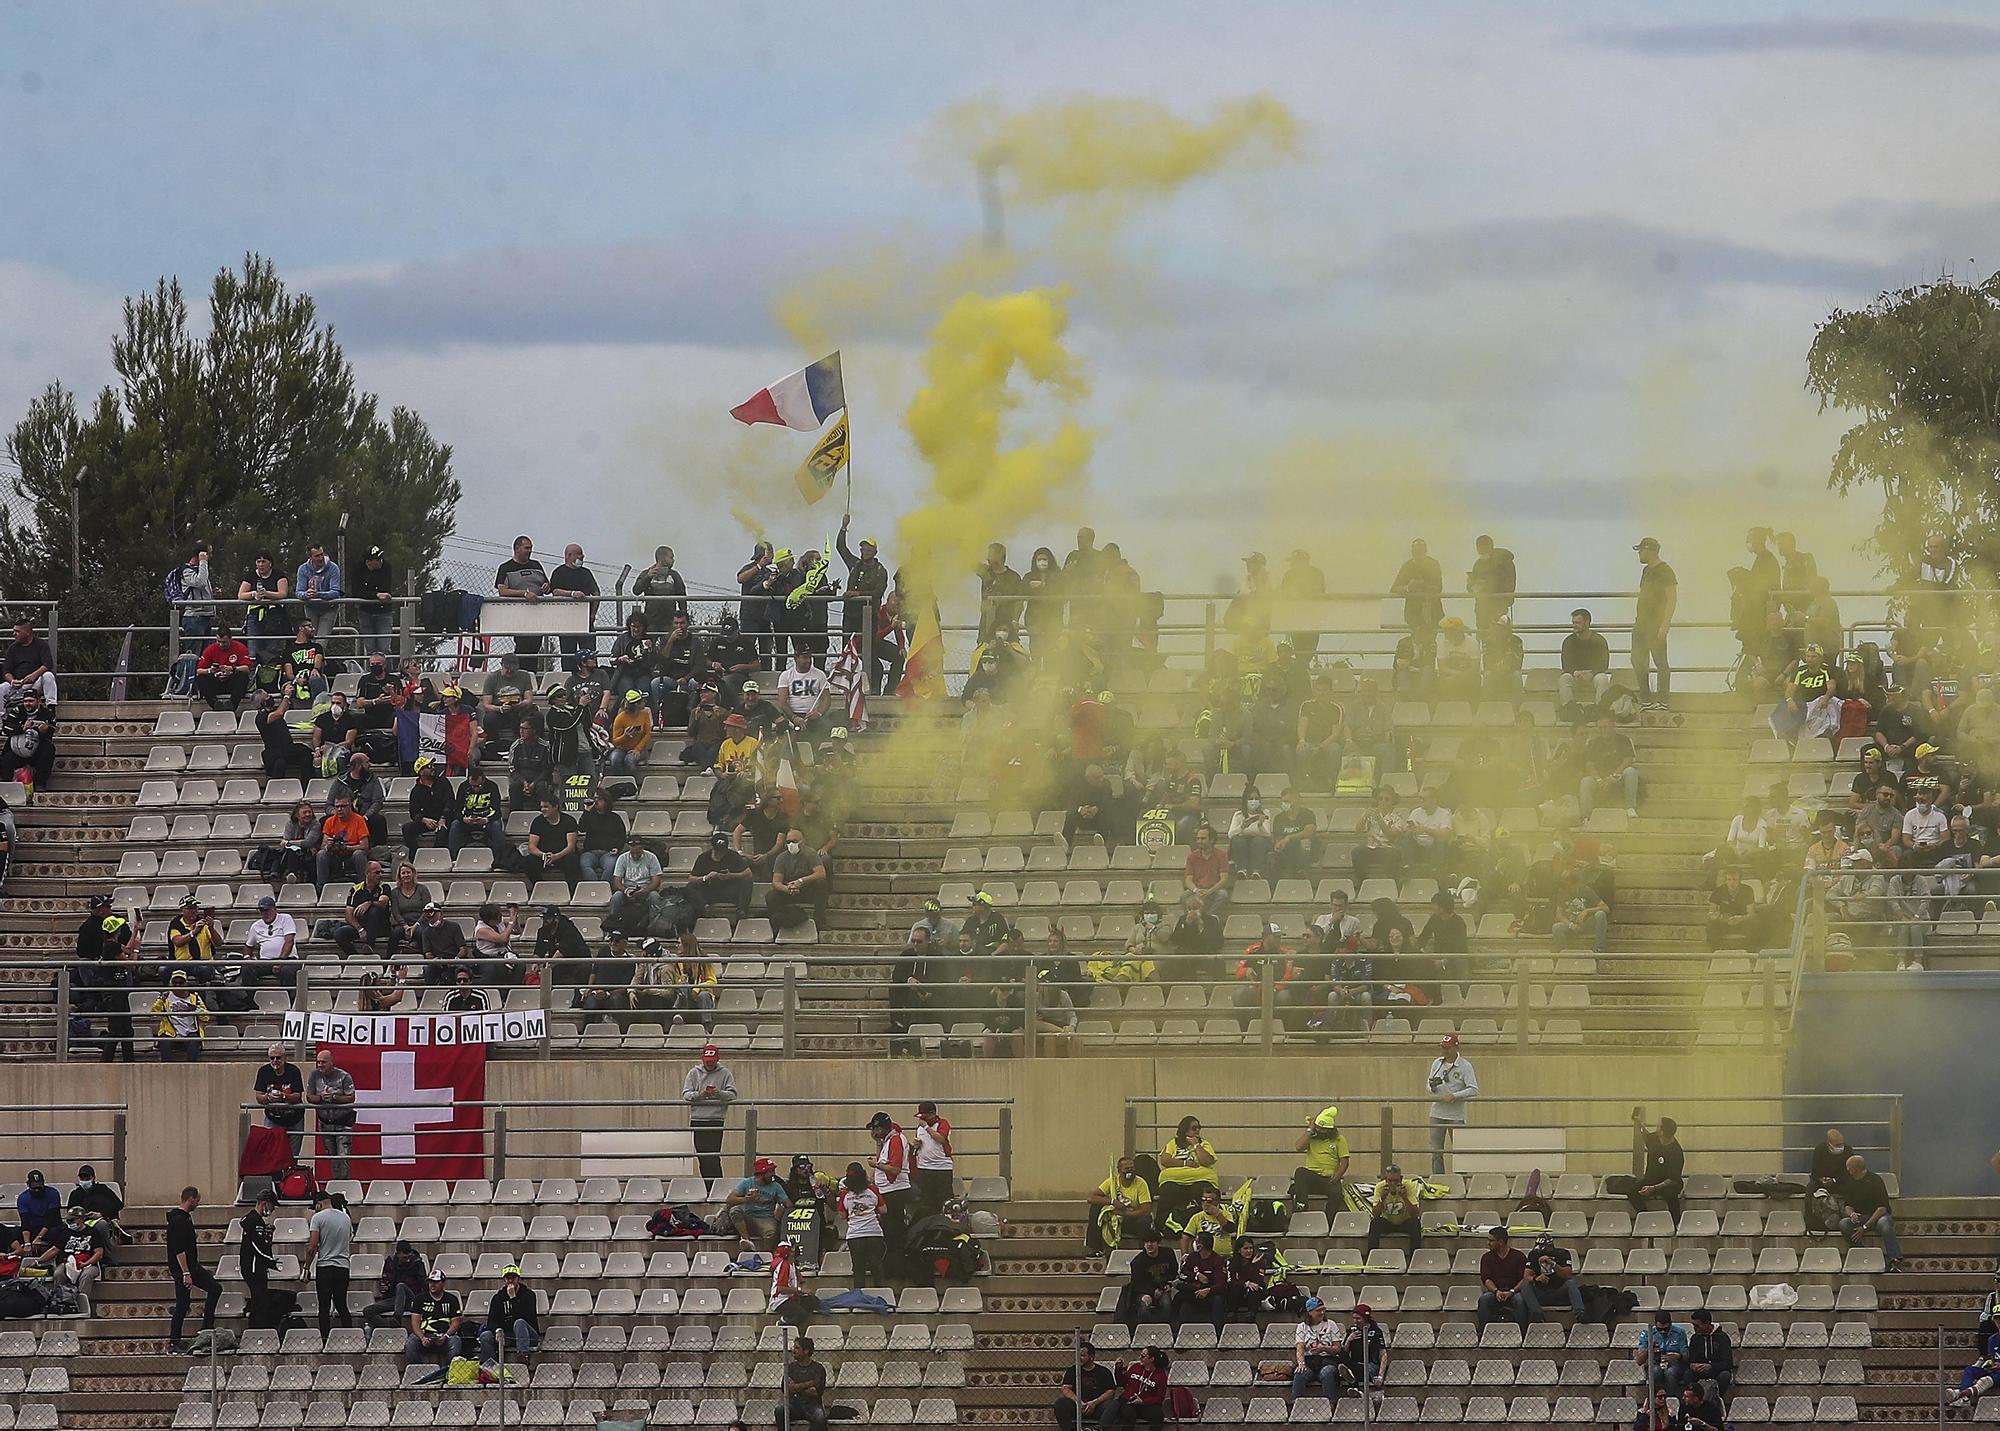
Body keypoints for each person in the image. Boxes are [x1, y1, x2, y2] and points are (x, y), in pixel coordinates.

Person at [166, 1186, 221, 1354]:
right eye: (197, 1200)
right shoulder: (179, 1221)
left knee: (215, 1288)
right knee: (182, 1304)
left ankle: (206, 1329)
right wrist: (186, 1273)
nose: (198, 1204)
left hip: (192, 1267)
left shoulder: (183, 1219)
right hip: (185, 1269)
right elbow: (179, 1249)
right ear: (191, 1199)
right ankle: (174, 1342)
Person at [1837, 1152, 1905, 1270]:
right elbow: (1848, 1205)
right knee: (1843, 1223)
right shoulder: (1850, 1183)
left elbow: (1882, 1208)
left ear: (1855, 1169)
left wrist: (1865, 1227)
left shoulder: (1875, 1180)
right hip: (1861, 1217)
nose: (1847, 1170)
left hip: (1877, 1216)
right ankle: (1862, 1253)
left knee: (1884, 1224)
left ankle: (1895, 1259)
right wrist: (1851, 1214)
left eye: (1849, 1168)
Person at [1632, 536, 1677, 708]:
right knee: (1637, 659)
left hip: (1655, 623)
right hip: (1641, 623)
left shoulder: (1665, 570)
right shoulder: (1646, 571)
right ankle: (1646, 699)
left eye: (1642, 550)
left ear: (1650, 550)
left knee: (1660, 662)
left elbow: (1672, 599)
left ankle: (1663, 700)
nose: (1640, 555)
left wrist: (1665, 624)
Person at [682, 1042, 736, 1183]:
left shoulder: (725, 1073)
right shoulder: (694, 1073)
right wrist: (700, 1095)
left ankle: (717, 1184)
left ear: (717, 1060)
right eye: (707, 1062)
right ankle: (708, 1185)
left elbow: (732, 1095)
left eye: (712, 1062)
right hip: (698, 1119)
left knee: (713, 1156)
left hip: (716, 1119)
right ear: (702, 1060)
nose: (709, 1065)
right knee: (702, 1156)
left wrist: (718, 1094)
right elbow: (686, 1095)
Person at [304, 1188, 354, 1338]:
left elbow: (312, 1247)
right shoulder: (346, 1218)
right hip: (343, 1267)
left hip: (325, 1267)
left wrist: (306, 1267)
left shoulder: (318, 1218)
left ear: (318, 1204)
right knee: (342, 1304)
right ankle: (349, 1336)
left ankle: (325, 1338)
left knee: (324, 1307)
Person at [1427, 1032, 1478, 1175]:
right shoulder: (1437, 1063)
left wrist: (1454, 1096)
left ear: (1456, 1048)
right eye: (1443, 1048)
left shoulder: (1465, 1066)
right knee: (1436, 1152)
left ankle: (1460, 1181)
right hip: (1437, 1113)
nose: (1444, 1051)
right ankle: (1438, 1181)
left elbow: (1473, 1090)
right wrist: (1432, 1087)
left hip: (1456, 1115)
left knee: (1459, 1152)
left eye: (1447, 1048)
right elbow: (1428, 1085)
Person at [1154, 1115, 1219, 1229]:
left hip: (1198, 1181)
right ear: (1185, 1130)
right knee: (1167, 1190)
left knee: (1202, 1191)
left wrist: (1196, 1145)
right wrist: (1185, 1164)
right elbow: (1165, 1160)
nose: (1198, 1131)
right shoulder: (1173, 1143)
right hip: (1174, 1181)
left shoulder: (1204, 1144)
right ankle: (1162, 1225)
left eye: (1199, 1128)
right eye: (1194, 1128)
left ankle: (1202, 1224)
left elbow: (1207, 1161)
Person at [305, 1048, 357, 1181]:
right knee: (332, 1158)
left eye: (323, 1062)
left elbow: (351, 1098)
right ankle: (336, 1185)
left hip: (343, 1123)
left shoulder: (344, 1076)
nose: (320, 1065)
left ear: (331, 1062)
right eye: (318, 1062)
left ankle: (344, 1186)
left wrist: (334, 1097)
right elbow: (309, 1097)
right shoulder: (314, 1076)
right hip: (325, 1123)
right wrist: (322, 1098)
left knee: (343, 1157)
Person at [1291, 1105, 1351, 1217]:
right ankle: (1301, 1204)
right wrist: (1310, 1130)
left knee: (1337, 1194)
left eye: (1323, 1129)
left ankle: (1329, 1220)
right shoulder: (1311, 1137)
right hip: (1313, 1176)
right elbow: (1298, 1147)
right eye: (1318, 1128)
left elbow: (1345, 1162)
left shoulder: (1339, 1139)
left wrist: (1337, 1176)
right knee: (1300, 1172)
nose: (1320, 1131)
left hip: (1329, 1179)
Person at [836, 1161, 889, 1286]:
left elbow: (842, 1215)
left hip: (855, 1235)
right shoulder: (872, 1190)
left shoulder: (845, 1194)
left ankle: (859, 1297)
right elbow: (884, 1210)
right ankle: (881, 1294)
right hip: (874, 1233)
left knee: (858, 1269)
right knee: (877, 1266)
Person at [1087, 1155, 1155, 1252]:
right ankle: (1095, 1249)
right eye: (1127, 1169)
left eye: (1132, 1168)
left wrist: (1124, 1213)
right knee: (1095, 1208)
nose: (1130, 1171)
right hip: (1115, 1221)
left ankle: (1143, 1251)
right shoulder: (1112, 1181)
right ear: (1119, 1171)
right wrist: (1113, 1202)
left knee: (1144, 1220)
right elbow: (1091, 1198)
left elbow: (1146, 1210)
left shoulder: (1141, 1183)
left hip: (1131, 1220)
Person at [1118, 1229, 1180, 1331]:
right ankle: (1142, 1332)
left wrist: (1169, 1284)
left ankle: (1164, 1331)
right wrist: (1150, 1292)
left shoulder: (1168, 1253)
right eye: (1146, 1242)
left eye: (1152, 1242)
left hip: (1162, 1288)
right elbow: (1136, 1283)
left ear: (1158, 1243)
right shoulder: (1138, 1261)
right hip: (1143, 1291)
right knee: (1145, 1304)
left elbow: (1173, 1272)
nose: (1149, 1245)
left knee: (1167, 1303)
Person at [1476, 1225, 1536, 1331]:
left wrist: (1512, 1291)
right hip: (1495, 1292)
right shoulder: (1486, 1258)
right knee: (1484, 1299)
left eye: (1491, 1240)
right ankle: (1483, 1332)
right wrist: (1496, 1291)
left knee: (1520, 1301)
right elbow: (1486, 1279)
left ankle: (1522, 1333)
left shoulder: (1518, 1256)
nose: (1488, 1243)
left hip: (1515, 1292)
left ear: (1501, 1242)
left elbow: (1524, 1279)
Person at [476, 1264, 540, 1363]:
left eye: (513, 1278)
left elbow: (527, 1317)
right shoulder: (498, 1298)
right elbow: (491, 1321)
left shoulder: (529, 1295)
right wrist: (498, 1330)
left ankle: (523, 1356)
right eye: (507, 1278)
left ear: (518, 1278)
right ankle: (491, 1366)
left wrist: (513, 1298)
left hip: (528, 1335)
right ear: (504, 1280)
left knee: (519, 1322)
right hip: (507, 1335)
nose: (510, 1281)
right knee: (485, 1336)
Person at [1629, 1115, 1686, 1223]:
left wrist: (1653, 1188)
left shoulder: (1676, 1152)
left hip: (1668, 1183)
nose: (1656, 1128)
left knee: (1670, 1194)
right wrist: (1639, 1123)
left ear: (1662, 1132)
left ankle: (1676, 1222)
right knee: (1631, 1191)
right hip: (1651, 1179)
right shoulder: (1655, 1139)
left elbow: (1672, 1179)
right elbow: (1645, 1135)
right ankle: (1646, 1217)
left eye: (1658, 1126)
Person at [361, 1239, 429, 1329]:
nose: (408, 1260)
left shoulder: (417, 1263)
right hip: (394, 1298)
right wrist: (384, 1288)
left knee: (401, 1286)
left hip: (411, 1298)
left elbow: (424, 1283)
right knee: (368, 1310)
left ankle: (397, 1317)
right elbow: (386, 1280)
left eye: (409, 1257)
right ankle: (389, 1326)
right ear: (398, 1254)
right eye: (404, 1257)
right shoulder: (390, 1263)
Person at [51, 1204, 110, 1306]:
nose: (70, 1223)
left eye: (72, 1220)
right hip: (68, 1262)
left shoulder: (93, 1232)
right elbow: (54, 1249)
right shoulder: (65, 1232)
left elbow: (99, 1253)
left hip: (89, 1263)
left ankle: (81, 1304)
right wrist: (37, 1262)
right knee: (58, 1273)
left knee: (86, 1275)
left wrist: (86, 1263)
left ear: (81, 1219)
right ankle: (62, 1300)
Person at [254, 1043, 306, 1157]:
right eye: (272, 1058)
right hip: (273, 1119)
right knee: (271, 1154)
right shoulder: (264, 1071)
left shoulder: (293, 1071)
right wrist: (268, 1097)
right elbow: (258, 1096)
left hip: (294, 1119)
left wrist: (283, 1096)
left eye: (278, 1057)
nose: (275, 1060)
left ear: (285, 1058)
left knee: (292, 1156)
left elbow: (298, 1096)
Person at [1055, 1339, 1119, 1431]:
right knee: (1061, 1403)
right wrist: (1078, 1402)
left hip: (1097, 1406)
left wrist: (1094, 1403)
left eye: (1082, 1355)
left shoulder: (1104, 1372)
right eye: (1078, 1355)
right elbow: (1065, 1388)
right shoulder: (1072, 1370)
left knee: (1113, 1404)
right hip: (1078, 1406)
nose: (1079, 1358)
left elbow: (1111, 1392)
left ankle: (1098, 1429)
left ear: (1091, 1357)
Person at [1559, 608, 1613, 715]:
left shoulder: (1599, 640)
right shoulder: (1568, 641)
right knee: (1564, 678)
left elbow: (1604, 663)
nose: (1574, 625)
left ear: (1587, 623)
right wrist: (1575, 672)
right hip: (1575, 676)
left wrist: (1591, 673)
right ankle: (1569, 711)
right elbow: (1566, 664)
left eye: (1578, 623)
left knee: (1603, 679)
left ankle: (1599, 711)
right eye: (1573, 623)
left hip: (1593, 676)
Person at [1291, 1297, 1344, 1404]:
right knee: (1299, 1374)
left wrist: (1324, 1348)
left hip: (1327, 1360)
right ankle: (1296, 1404)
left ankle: (1331, 1404)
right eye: (1318, 1310)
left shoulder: (1331, 1324)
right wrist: (1301, 1363)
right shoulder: (1302, 1327)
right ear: (1310, 1312)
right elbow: (1300, 1347)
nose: (1322, 1312)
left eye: (1323, 1309)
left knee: (1327, 1373)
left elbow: (1337, 1348)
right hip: (1310, 1360)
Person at [405, 1271, 466, 1365]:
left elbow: (456, 1322)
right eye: (430, 1282)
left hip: (445, 1335)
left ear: (443, 1283)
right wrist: (422, 1338)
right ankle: (420, 1370)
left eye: (436, 1282)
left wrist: (446, 1336)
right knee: (410, 1343)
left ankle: (445, 1371)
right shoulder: (419, 1299)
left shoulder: (452, 1299)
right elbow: (415, 1323)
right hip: (425, 1334)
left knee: (456, 1342)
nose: (432, 1285)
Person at [911, 1101, 956, 1218]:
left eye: (925, 1117)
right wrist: (917, 1144)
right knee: (926, 1201)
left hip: (942, 1168)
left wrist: (926, 1127)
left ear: (932, 1114)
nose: (923, 1121)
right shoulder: (920, 1128)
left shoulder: (942, 1124)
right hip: (924, 1168)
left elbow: (941, 1139)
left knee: (945, 1200)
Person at [1365, 1163, 1422, 1256]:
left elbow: (1415, 1213)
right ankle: (1372, 1257)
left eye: (1396, 1181)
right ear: (1385, 1180)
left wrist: (1405, 1198)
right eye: (1390, 1181)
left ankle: (1415, 1257)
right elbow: (1375, 1214)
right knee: (1375, 1223)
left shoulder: (1409, 1186)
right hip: (1388, 1221)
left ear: (1401, 1178)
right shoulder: (1380, 1187)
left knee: (1415, 1223)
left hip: (1404, 1221)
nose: (1393, 1184)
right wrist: (1382, 1199)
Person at [194, 625, 254, 712]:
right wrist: (210, 670)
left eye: (224, 642)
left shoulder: (240, 648)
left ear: (230, 639)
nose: (221, 645)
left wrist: (234, 668)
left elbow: (247, 669)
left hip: (231, 681)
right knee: (200, 678)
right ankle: (215, 704)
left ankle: (232, 705)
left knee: (243, 676)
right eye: (219, 641)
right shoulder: (210, 649)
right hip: (216, 681)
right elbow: (199, 671)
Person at [1108, 1345, 1170, 1428]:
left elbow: (1159, 1398)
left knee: (1157, 1414)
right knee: (1128, 1413)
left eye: (1143, 1356)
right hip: (1129, 1401)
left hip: (1146, 1405)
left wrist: (1143, 1401)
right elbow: (1121, 1382)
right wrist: (1118, 1369)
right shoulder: (1136, 1367)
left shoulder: (1161, 1375)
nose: (1139, 1357)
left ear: (1152, 1359)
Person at [1525, 1231, 1585, 1317]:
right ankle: (1536, 1314)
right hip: (1541, 1291)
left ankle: (1580, 1313)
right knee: (1525, 1285)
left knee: (1571, 1283)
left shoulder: (1562, 1254)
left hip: (1559, 1290)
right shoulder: (1533, 1254)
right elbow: (1526, 1276)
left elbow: (1568, 1275)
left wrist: (1552, 1263)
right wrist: (1536, 1279)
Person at [1634, 1309, 1691, 1396]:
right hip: (1655, 1363)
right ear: (1655, 1324)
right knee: (1655, 1371)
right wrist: (1650, 1346)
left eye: (1666, 1329)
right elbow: (1639, 1361)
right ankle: (1656, 1400)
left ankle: (1670, 1400)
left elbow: (1686, 1356)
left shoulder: (1679, 1332)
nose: (1663, 1332)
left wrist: (1678, 1356)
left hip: (1675, 1364)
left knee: (1670, 1373)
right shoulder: (1647, 1334)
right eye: (1660, 1329)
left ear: (1671, 1324)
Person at [781, 1336, 831, 1431]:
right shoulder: (791, 1368)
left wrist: (795, 1387)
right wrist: (809, 1384)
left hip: (813, 1405)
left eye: (797, 1348)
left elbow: (816, 1392)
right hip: (794, 1404)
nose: (793, 1350)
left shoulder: (818, 1369)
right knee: (780, 1411)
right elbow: (785, 1389)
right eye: (793, 1347)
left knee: (820, 1416)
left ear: (806, 1351)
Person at [239, 1188, 278, 1303]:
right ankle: (258, 1321)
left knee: (258, 1299)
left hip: (251, 1265)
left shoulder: (253, 1219)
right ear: (264, 1203)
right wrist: (270, 1260)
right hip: (254, 1266)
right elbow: (257, 1245)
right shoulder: (255, 1221)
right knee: (260, 1300)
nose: (272, 1209)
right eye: (272, 1205)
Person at [1686, 1307, 1733, 1398]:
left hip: (1716, 1370)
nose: (1695, 1328)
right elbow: (1691, 1359)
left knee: (1725, 1375)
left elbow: (1728, 1362)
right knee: (1688, 1374)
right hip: (1700, 1370)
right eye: (1694, 1325)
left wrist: (1711, 1366)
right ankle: (1694, 1398)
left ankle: (1717, 1398)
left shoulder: (1722, 1338)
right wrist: (1693, 1365)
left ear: (1707, 1323)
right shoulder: (1695, 1338)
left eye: (1697, 1326)